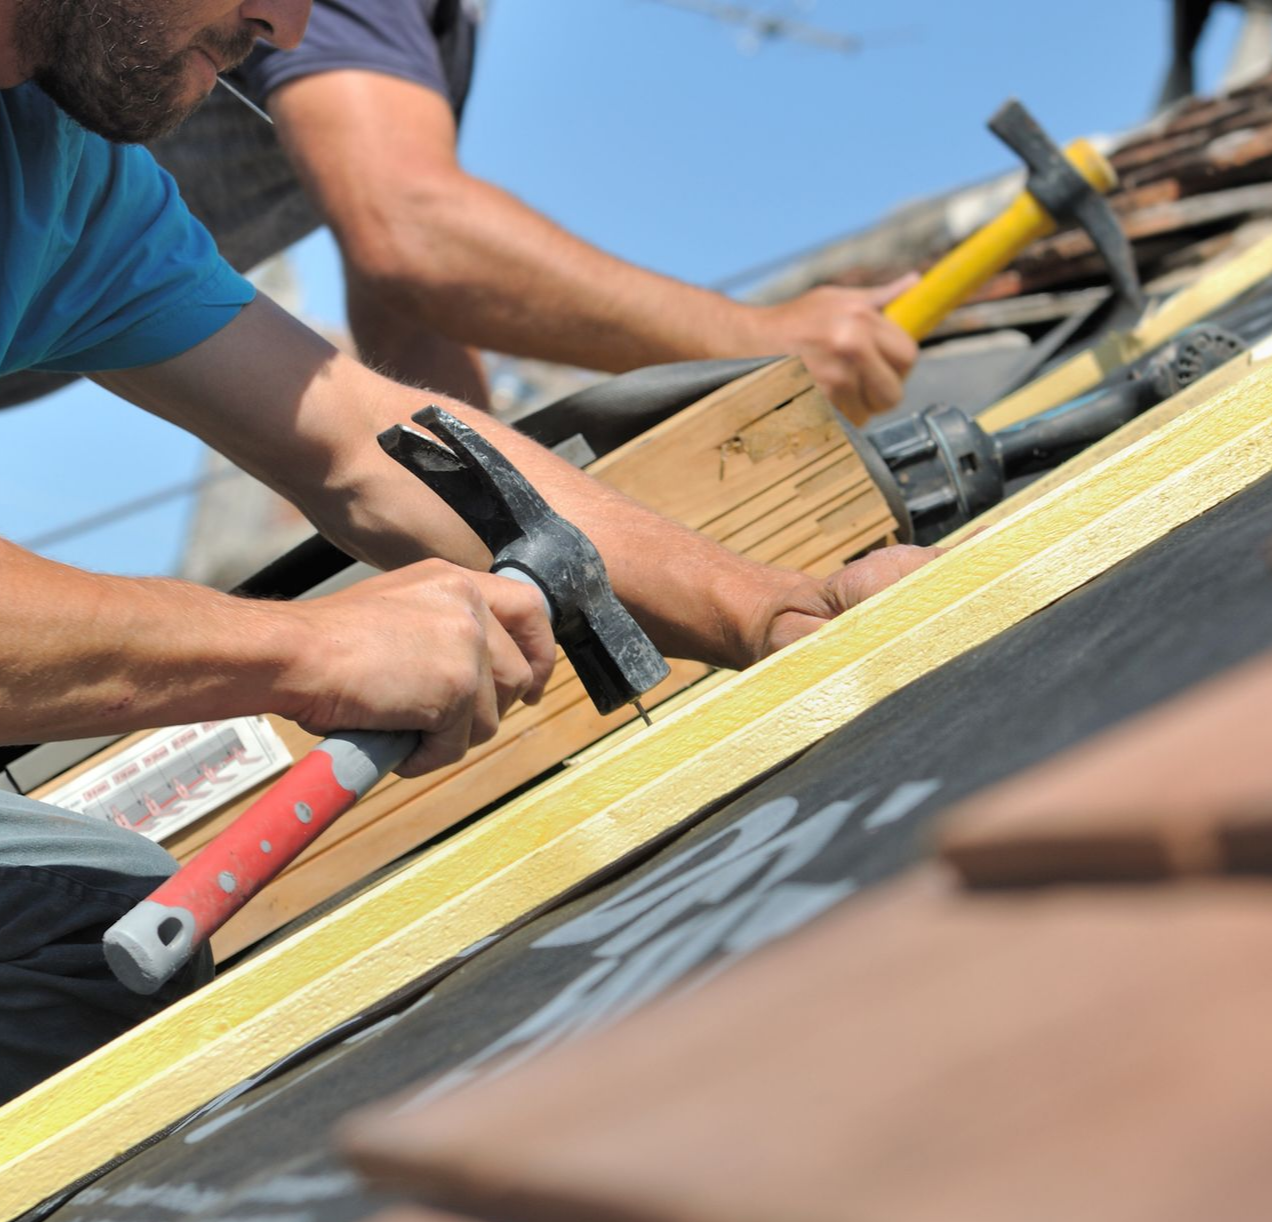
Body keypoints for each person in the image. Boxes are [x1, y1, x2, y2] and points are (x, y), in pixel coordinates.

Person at [0, 0, 936, 1101]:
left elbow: (364, 443)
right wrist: (303, 648)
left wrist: (772, 611)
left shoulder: (70, 187)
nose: (291, 26)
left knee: (95, 952)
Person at [149, 0, 919, 424]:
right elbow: (412, 230)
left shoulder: (436, 31)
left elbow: (407, 318)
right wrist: (761, 342)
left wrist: (513, 520)